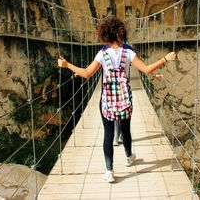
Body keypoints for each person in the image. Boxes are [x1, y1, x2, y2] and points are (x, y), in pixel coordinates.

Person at [57, 16, 176, 183]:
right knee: (126, 130)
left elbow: (86, 73)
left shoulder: (101, 54)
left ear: (105, 35)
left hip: (107, 100)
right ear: (120, 33)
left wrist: (67, 65)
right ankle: (128, 157)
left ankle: (109, 171)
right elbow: (148, 69)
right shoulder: (129, 53)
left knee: (108, 134)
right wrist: (164, 59)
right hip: (124, 100)